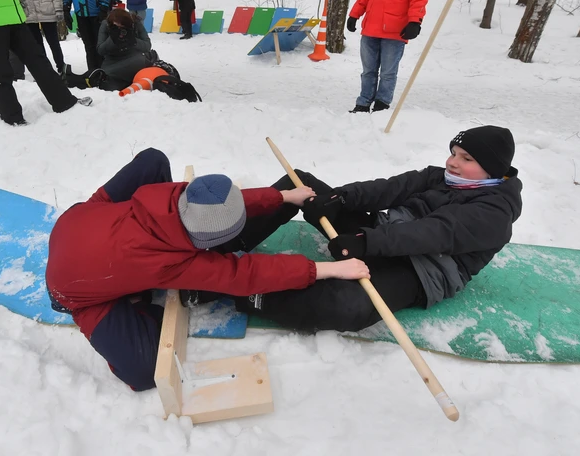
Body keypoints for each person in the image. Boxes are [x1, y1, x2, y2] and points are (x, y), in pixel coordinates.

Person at [45, 148, 371, 391]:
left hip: (81, 219)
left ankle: (128, 283)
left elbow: (227, 202)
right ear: (202, 243)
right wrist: (326, 270)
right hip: (70, 289)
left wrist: (283, 196)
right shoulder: (173, 261)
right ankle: (134, 302)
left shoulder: (173, 196)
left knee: (152, 159)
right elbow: (246, 275)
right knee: (144, 372)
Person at [185, 126, 522, 334]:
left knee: (349, 307)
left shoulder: (494, 211)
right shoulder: (442, 177)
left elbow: (433, 233)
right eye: (453, 153)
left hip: (423, 269)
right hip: (385, 233)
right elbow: (390, 188)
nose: (453, 162)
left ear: (492, 168)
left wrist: (365, 241)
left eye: (466, 158)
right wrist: (338, 199)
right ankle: (219, 247)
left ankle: (229, 288)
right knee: (301, 185)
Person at [68, 8, 155, 92]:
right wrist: (112, 39)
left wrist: (133, 41)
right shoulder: (105, 25)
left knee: (140, 61)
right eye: (116, 26)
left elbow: (147, 46)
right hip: (113, 62)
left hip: (133, 59)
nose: (120, 29)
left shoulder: (136, 24)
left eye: (123, 26)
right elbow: (100, 50)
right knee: (109, 85)